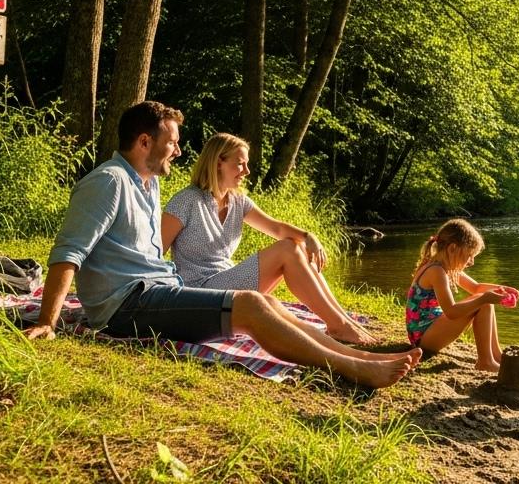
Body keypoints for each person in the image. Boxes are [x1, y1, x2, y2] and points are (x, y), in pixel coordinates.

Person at [24, 101, 417, 389]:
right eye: (172, 141)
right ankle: (353, 369)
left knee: (270, 303)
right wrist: (47, 321)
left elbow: (152, 253)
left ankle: (361, 355)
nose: (178, 150)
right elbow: (68, 253)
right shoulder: (109, 181)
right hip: (126, 305)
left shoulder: (149, 183)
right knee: (249, 304)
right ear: (145, 142)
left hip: (160, 290)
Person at [161, 133, 375, 345]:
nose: (247, 171)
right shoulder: (186, 201)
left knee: (296, 246)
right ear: (219, 163)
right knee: (287, 250)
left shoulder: (238, 201)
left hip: (226, 283)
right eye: (240, 164)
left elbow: (276, 228)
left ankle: (342, 321)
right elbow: (155, 254)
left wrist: (309, 236)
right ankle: (338, 325)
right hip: (199, 295)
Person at [404, 218, 519, 372]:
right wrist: (485, 298)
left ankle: (496, 355)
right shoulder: (436, 271)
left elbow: (476, 287)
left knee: (483, 299)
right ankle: (485, 362)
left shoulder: (443, 266)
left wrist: (503, 288)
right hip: (424, 337)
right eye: (470, 255)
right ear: (452, 249)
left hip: (429, 329)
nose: (471, 262)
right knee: (483, 301)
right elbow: (451, 312)